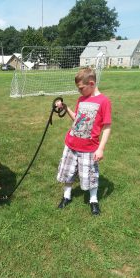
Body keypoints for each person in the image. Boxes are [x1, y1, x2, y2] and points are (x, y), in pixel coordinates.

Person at [56, 67, 111, 215]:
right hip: (71, 144)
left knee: (90, 175)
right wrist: (66, 108)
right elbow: (78, 120)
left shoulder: (104, 101)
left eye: (81, 88)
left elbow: (107, 127)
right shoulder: (81, 99)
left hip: (89, 147)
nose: (79, 91)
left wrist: (101, 148)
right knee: (68, 171)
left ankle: (93, 200)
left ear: (91, 83)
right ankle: (66, 196)